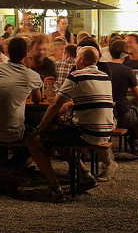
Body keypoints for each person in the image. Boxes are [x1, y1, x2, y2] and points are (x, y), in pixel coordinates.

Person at [0, 37, 65, 200]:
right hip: (13, 131)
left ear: (7, 52)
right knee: (35, 135)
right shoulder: (32, 76)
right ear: (26, 54)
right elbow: (37, 100)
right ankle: (49, 181)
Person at [32, 46, 115, 195]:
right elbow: (92, 99)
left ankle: (54, 186)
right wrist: (70, 104)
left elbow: (55, 104)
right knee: (58, 132)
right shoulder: (104, 76)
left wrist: (40, 127)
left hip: (88, 132)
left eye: (77, 57)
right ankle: (85, 175)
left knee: (36, 140)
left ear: (82, 59)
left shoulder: (77, 75)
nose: (75, 60)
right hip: (106, 131)